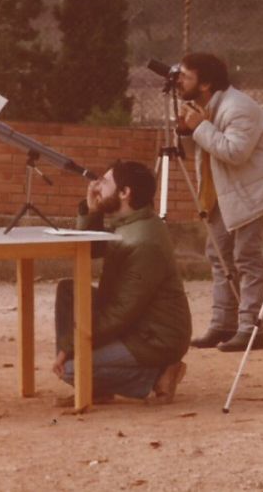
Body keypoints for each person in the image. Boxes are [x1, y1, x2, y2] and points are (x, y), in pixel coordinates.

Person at [178, 52, 263, 352]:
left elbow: (235, 152)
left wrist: (200, 127)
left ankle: (251, 328)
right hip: (226, 189)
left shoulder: (237, 108)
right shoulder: (203, 107)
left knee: (246, 256)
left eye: (186, 77)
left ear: (206, 84)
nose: (178, 81)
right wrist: (189, 128)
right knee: (218, 255)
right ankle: (222, 325)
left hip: (256, 189)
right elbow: (200, 151)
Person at [53, 160, 192, 404]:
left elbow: (120, 313)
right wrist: (92, 211)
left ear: (125, 193)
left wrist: (70, 346)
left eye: (105, 182)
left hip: (155, 338)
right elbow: (92, 249)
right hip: (137, 324)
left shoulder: (144, 241)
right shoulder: (130, 222)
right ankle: (96, 386)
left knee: (74, 368)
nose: (96, 186)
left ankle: (158, 374)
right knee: (69, 291)